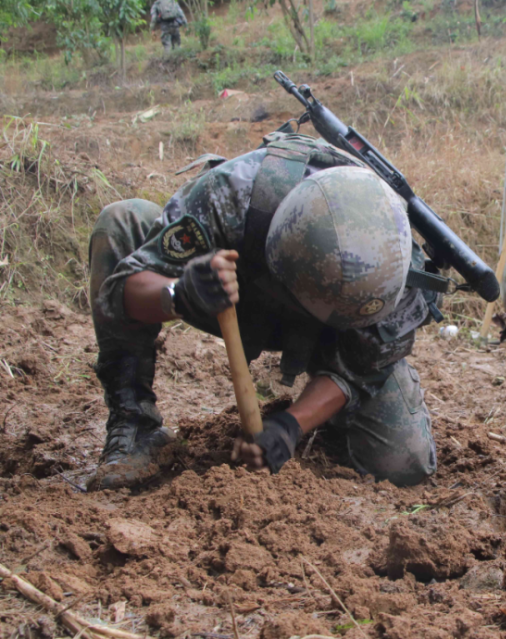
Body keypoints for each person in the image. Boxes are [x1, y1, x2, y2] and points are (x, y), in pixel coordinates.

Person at [87, 132, 440, 491]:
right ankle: (134, 425)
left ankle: (334, 418)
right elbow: (117, 296)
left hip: (333, 341)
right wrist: (181, 293)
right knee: (123, 220)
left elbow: (362, 367)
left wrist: (290, 426)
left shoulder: (401, 269)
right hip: (232, 296)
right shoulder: (234, 195)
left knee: (405, 463)